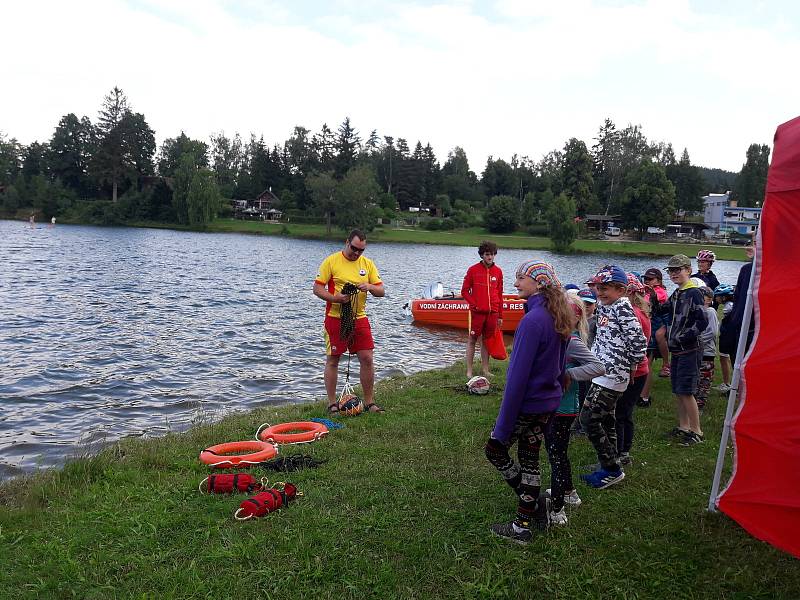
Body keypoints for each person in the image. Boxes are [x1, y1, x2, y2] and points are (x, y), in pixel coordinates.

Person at [485, 261, 571, 544]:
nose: (516, 283)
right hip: (547, 404)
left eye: (521, 278)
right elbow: (560, 367)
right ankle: (526, 518)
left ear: (539, 282)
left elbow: (516, 379)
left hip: (529, 404)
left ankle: (528, 509)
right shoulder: (555, 314)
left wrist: (503, 424)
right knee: (530, 458)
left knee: (495, 450)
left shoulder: (532, 321)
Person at [578, 265, 647, 490]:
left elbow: (639, 342)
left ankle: (611, 470)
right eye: (598, 287)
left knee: (588, 419)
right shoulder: (605, 306)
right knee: (606, 418)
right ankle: (609, 462)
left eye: (605, 288)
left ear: (621, 289)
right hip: (601, 372)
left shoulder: (622, 308)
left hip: (613, 375)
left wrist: (631, 367)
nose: (599, 292)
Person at [544, 295, 605, 526]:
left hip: (564, 409)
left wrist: (569, 374)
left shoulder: (572, 341)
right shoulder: (562, 338)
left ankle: (558, 510)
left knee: (556, 456)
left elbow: (599, 367)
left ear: (576, 316)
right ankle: (569, 492)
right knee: (556, 451)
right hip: (557, 406)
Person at [313, 229, 385, 414]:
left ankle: (369, 402)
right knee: (333, 360)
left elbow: (381, 291)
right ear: (347, 242)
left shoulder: (367, 264)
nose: (357, 253)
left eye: (361, 250)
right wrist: (335, 298)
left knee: (367, 358)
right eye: (354, 248)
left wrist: (369, 286)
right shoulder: (331, 261)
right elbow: (317, 288)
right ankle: (331, 403)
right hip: (335, 318)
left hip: (359, 317)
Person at [658, 254, 709, 446]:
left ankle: (697, 431)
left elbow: (702, 321)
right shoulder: (678, 293)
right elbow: (664, 309)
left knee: (687, 391)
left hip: (689, 349)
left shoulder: (693, 292)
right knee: (678, 390)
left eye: (677, 270)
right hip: (677, 350)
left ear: (688, 270)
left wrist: (682, 336)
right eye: (671, 271)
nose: (673, 274)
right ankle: (683, 426)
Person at [615, 274, 651, 465]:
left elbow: (631, 344)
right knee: (626, 412)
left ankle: (619, 453)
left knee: (619, 413)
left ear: (627, 291)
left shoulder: (632, 314)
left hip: (632, 371)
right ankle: (624, 452)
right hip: (639, 369)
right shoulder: (641, 310)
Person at [461, 241, 504, 379]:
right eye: (487, 254)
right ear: (482, 255)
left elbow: (500, 294)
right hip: (477, 313)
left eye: (492, 254)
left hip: (493, 313)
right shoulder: (473, 270)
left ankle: (485, 370)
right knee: (472, 339)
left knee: (486, 340)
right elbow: (465, 291)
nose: (490, 257)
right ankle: (469, 371)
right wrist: (474, 305)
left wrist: (500, 315)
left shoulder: (498, 272)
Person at [719, 240, 756, 360]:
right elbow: (739, 302)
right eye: (751, 243)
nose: (749, 248)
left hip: (756, 332)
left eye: (756, 243)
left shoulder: (769, 271)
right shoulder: (746, 270)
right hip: (741, 329)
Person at [639, 268, 669, 406]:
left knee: (647, 363)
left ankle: (644, 397)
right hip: (647, 326)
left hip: (656, 326)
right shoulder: (646, 290)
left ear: (658, 280)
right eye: (645, 278)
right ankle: (639, 394)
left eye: (650, 279)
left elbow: (649, 302)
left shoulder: (660, 292)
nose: (647, 281)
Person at [696, 286, 719, 413]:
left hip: (707, 353)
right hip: (698, 352)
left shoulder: (710, 312)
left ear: (709, 299)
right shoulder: (699, 312)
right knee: (696, 378)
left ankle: (700, 404)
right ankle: (694, 402)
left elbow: (712, 332)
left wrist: (697, 342)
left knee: (704, 380)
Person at [713, 283, 735, 392]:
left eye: (717, 296)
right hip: (729, 337)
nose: (715, 298)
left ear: (724, 297)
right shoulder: (731, 305)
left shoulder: (728, 308)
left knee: (724, 358)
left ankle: (727, 384)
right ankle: (729, 383)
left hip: (728, 338)